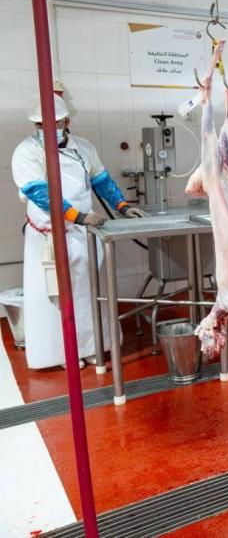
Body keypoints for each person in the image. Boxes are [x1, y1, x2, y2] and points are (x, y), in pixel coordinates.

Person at [12, 95, 145, 370]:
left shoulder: (83, 148)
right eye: (40, 125)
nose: (47, 129)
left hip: (84, 233)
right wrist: (77, 216)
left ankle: (95, 347)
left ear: (66, 121)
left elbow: (101, 180)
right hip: (48, 234)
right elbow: (39, 192)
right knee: (55, 296)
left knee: (89, 292)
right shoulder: (26, 151)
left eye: (55, 123)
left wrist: (122, 206)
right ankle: (61, 353)